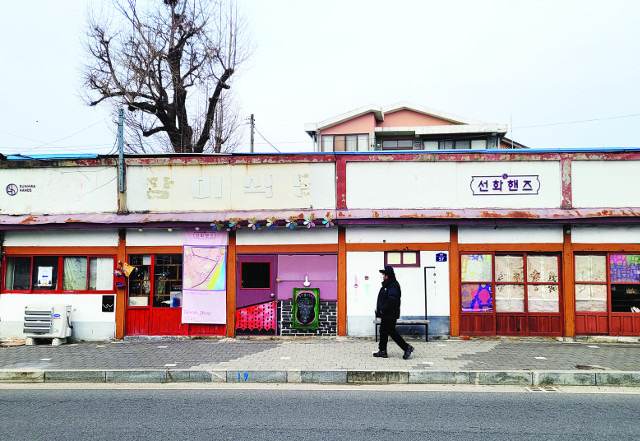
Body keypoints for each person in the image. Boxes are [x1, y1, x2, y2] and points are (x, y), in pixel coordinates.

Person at [373, 265, 414, 359]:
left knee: (391, 332)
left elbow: (392, 300)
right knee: (383, 331)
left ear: (387, 275)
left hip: (390, 314)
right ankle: (382, 351)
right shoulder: (387, 285)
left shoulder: (393, 285)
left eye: (383, 274)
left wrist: (383, 308)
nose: (382, 276)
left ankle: (407, 347)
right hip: (386, 314)